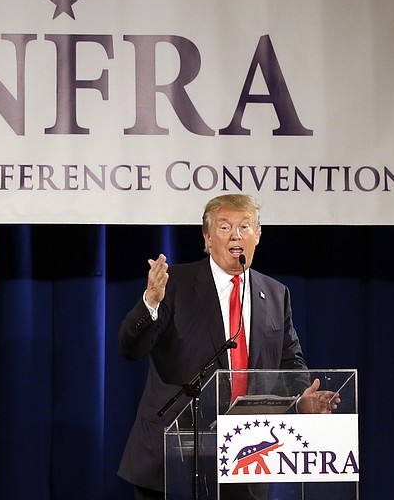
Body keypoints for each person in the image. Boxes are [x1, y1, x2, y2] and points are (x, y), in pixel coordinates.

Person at [117, 194, 338, 500]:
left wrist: (301, 398)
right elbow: (131, 348)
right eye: (225, 227)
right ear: (208, 238)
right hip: (174, 454)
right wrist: (150, 302)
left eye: (245, 227)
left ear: (257, 236)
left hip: (245, 457)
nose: (236, 235)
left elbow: (290, 362)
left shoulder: (275, 294)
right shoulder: (176, 284)